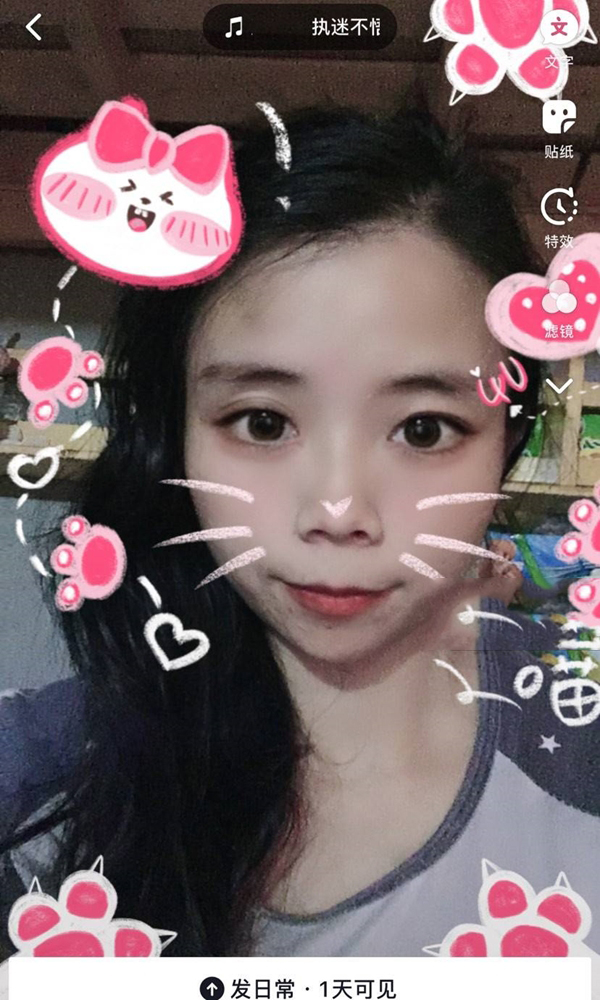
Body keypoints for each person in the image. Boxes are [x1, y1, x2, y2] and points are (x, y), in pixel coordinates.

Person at [1, 104, 599, 964]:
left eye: (424, 429)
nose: (337, 510)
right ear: (175, 433)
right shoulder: (39, 787)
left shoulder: (577, 748)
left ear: (505, 443)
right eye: (262, 422)